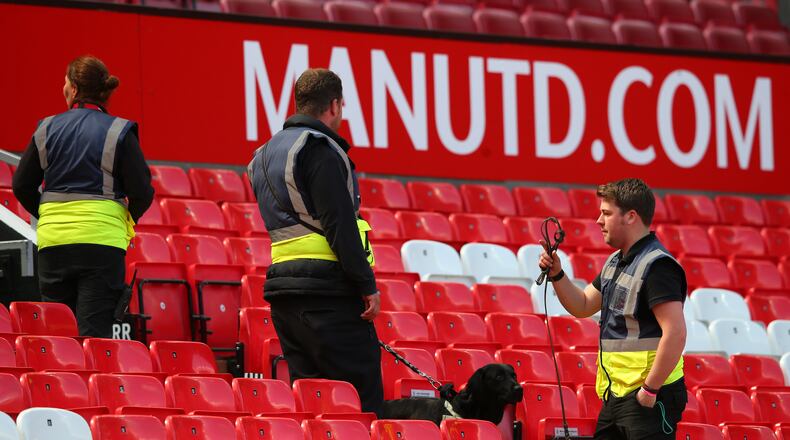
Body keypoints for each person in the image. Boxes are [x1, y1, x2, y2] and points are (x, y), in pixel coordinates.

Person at [248, 68, 384, 416]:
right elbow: (340, 225)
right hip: (330, 294)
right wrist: (366, 283)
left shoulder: (261, 155)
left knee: (312, 407)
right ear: (335, 106)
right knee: (359, 405)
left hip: (285, 294)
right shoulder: (320, 148)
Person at [12, 55, 154, 338]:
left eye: (65, 82)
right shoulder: (118, 130)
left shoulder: (45, 128)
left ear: (74, 88)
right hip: (102, 244)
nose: (62, 88)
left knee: (59, 335)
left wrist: (48, 215)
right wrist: (126, 217)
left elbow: (21, 185)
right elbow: (142, 191)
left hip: (54, 243)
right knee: (94, 336)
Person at [539, 178, 687, 439]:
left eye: (606, 213)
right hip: (618, 396)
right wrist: (558, 274)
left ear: (631, 217)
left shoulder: (658, 266)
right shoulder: (615, 262)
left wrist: (650, 391)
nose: (598, 220)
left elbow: (675, 332)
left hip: (648, 397)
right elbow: (583, 305)